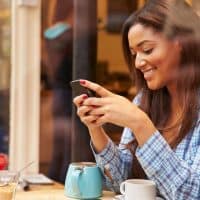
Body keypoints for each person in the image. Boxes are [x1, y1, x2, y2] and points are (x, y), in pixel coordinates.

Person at [73, 0, 200, 199]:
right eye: (134, 54)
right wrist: (95, 127)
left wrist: (140, 124)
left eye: (147, 50)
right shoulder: (144, 100)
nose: (138, 63)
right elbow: (120, 183)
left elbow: (193, 194)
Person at [43, 22, 73, 183]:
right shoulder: (66, 36)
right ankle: (63, 181)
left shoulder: (51, 40)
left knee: (59, 146)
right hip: (66, 95)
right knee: (68, 144)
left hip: (58, 95)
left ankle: (54, 178)